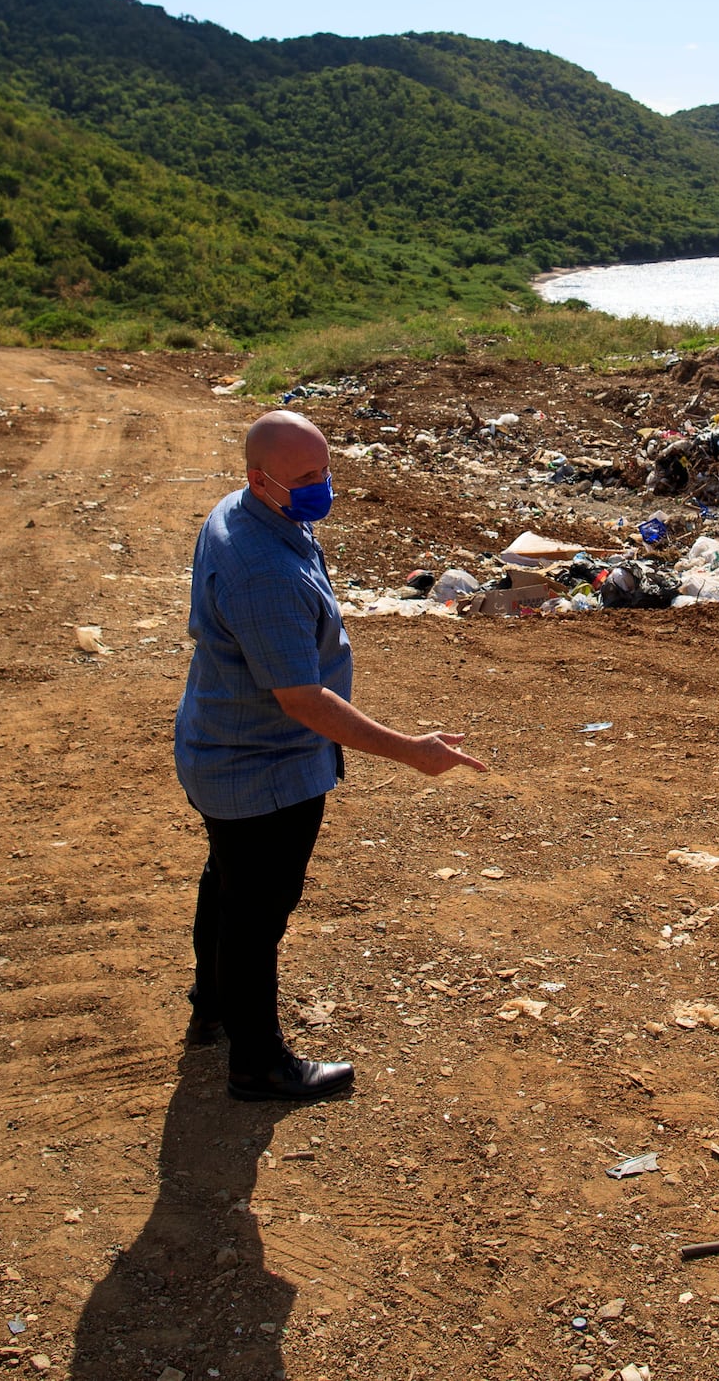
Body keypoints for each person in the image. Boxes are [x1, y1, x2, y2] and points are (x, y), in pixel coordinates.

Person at [174, 409, 486, 1101]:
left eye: (325, 469)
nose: (324, 486)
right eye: (308, 477)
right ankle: (257, 1063)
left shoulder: (241, 510)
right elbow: (302, 700)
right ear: (263, 479)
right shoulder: (263, 569)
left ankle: (215, 1006)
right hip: (263, 764)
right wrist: (411, 750)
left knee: (228, 880)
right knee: (258, 911)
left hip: (218, 742)